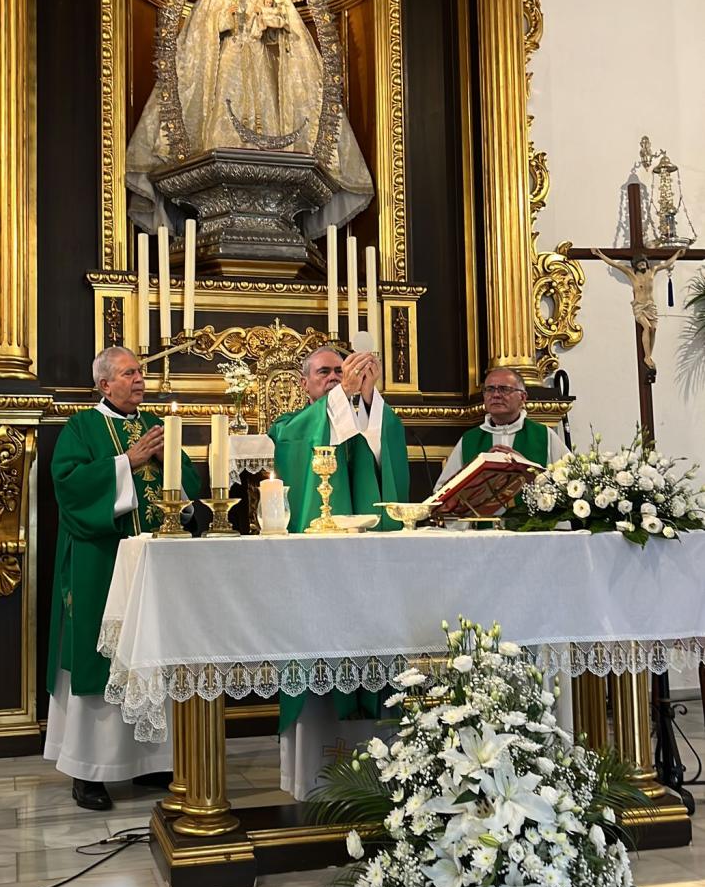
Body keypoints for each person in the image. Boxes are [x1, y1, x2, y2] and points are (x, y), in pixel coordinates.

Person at [45, 347, 200, 810]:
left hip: (156, 564)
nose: (140, 380)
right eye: (130, 373)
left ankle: (152, 762)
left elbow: (182, 475)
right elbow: (69, 486)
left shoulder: (156, 423)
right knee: (100, 656)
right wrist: (126, 463)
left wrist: (186, 500)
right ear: (104, 383)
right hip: (101, 560)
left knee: (153, 654)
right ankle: (89, 771)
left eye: (141, 372)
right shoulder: (81, 427)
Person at [126, 0, 373, 238]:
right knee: (228, 96)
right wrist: (230, 16)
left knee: (263, 98)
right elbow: (215, 27)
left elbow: (276, 34)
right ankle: (228, 141)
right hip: (233, 54)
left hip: (257, 57)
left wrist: (271, 22)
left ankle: (263, 146)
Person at [269, 345, 410, 798]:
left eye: (341, 370)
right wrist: (344, 399)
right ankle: (311, 774)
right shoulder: (290, 428)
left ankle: (383, 766)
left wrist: (366, 401)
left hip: (373, 571)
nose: (335, 377)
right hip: (317, 576)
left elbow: (383, 448)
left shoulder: (375, 417)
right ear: (306, 383)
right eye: (325, 372)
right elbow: (303, 444)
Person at [434, 366, 568, 491]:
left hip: (533, 516)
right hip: (482, 516)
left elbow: (571, 482)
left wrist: (531, 472)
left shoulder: (543, 435)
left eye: (504, 389)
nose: (496, 395)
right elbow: (442, 491)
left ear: (522, 397)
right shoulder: (469, 439)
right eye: (490, 389)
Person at [593, 247, 684, 372]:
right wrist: (600, 255)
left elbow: (667, 263)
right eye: (639, 263)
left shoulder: (653, 270)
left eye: (643, 263)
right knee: (647, 327)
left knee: (654, 329)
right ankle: (647, 357)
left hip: (651, 305)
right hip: (639, 306)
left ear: (646, 263)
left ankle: (649, 356)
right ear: (635, 265)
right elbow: (614, 264)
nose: (642, 265)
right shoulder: (631, 274)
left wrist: (677, 254)